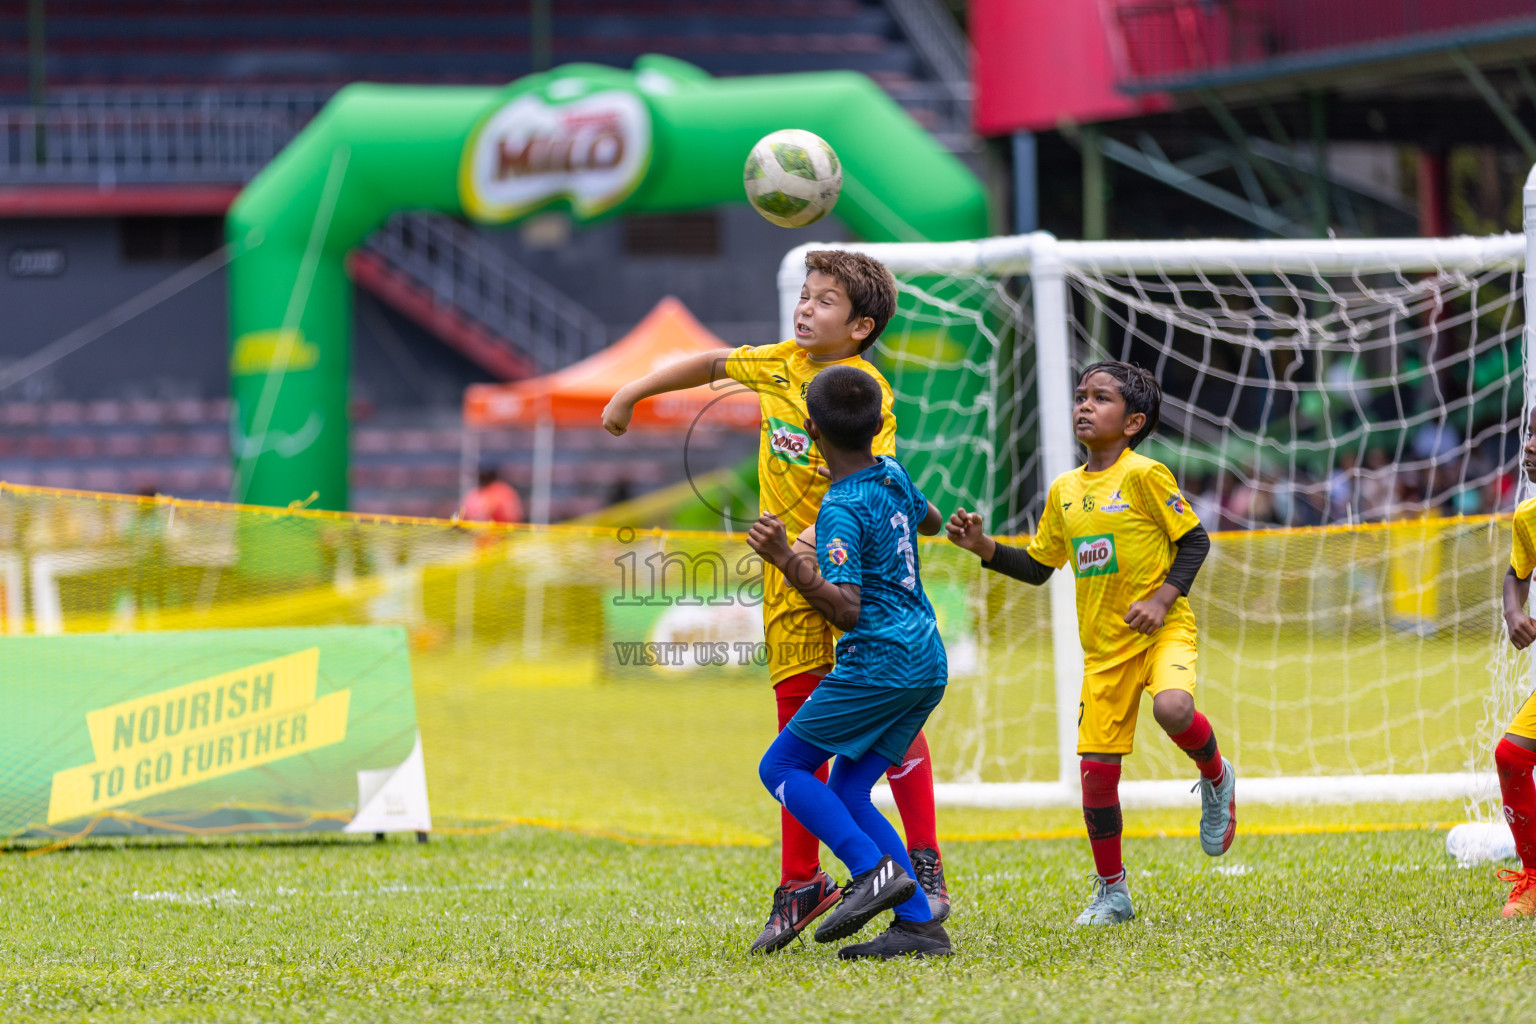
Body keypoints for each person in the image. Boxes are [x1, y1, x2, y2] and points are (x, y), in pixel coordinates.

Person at [601, 250, 948, 952]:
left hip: (845, 578)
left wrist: (808, 553)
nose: (806, 307)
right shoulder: (779, 361)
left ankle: (919, 865)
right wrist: (629, 392)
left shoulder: (860, 392)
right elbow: (705, 365)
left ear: (861, 327)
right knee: (802, 725)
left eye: (824, 301)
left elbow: (869, 489)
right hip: (788, 585)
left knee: (876, 725)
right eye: (806, 294)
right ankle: (804, 883)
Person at [946, 360, 1237, 925]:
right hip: (1103, 655)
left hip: (1161, 631)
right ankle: (1113, 893)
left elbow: (1195, 542)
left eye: (1099, 398)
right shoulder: (1064, 491)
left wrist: (1161, 598)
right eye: (1080, 395)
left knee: (1173, 706)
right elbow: (1036, 568)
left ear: (1132, 422)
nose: (1083, 405)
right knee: (1097, 775)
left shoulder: (1145, 476)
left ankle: (1216, 775)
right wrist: (983, 547)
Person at [748, 366, 951, 959]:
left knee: (781, 767)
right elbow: (930, 520)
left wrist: (787, 555)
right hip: (926, 659)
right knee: (852, 788)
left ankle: (870, 872)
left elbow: (845, 610)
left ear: (809, 430)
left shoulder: (838, 508)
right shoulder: (893, 474)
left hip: (880, 661)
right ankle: (919, 926)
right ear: (880, 424)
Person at [1493, 411, 1536, 918]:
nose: (1530, 445)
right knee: (1511, 756)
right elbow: (1515, 572)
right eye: (1529, 432)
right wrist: (1513, 612)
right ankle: (1532, 874)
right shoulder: (1528, 516)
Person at [460, 465, 524, 524]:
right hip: (478, 533)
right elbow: (466, 516)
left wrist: (496, 510)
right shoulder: (474, 493)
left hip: (502, 533)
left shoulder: (504, 492)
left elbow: (514, 516)